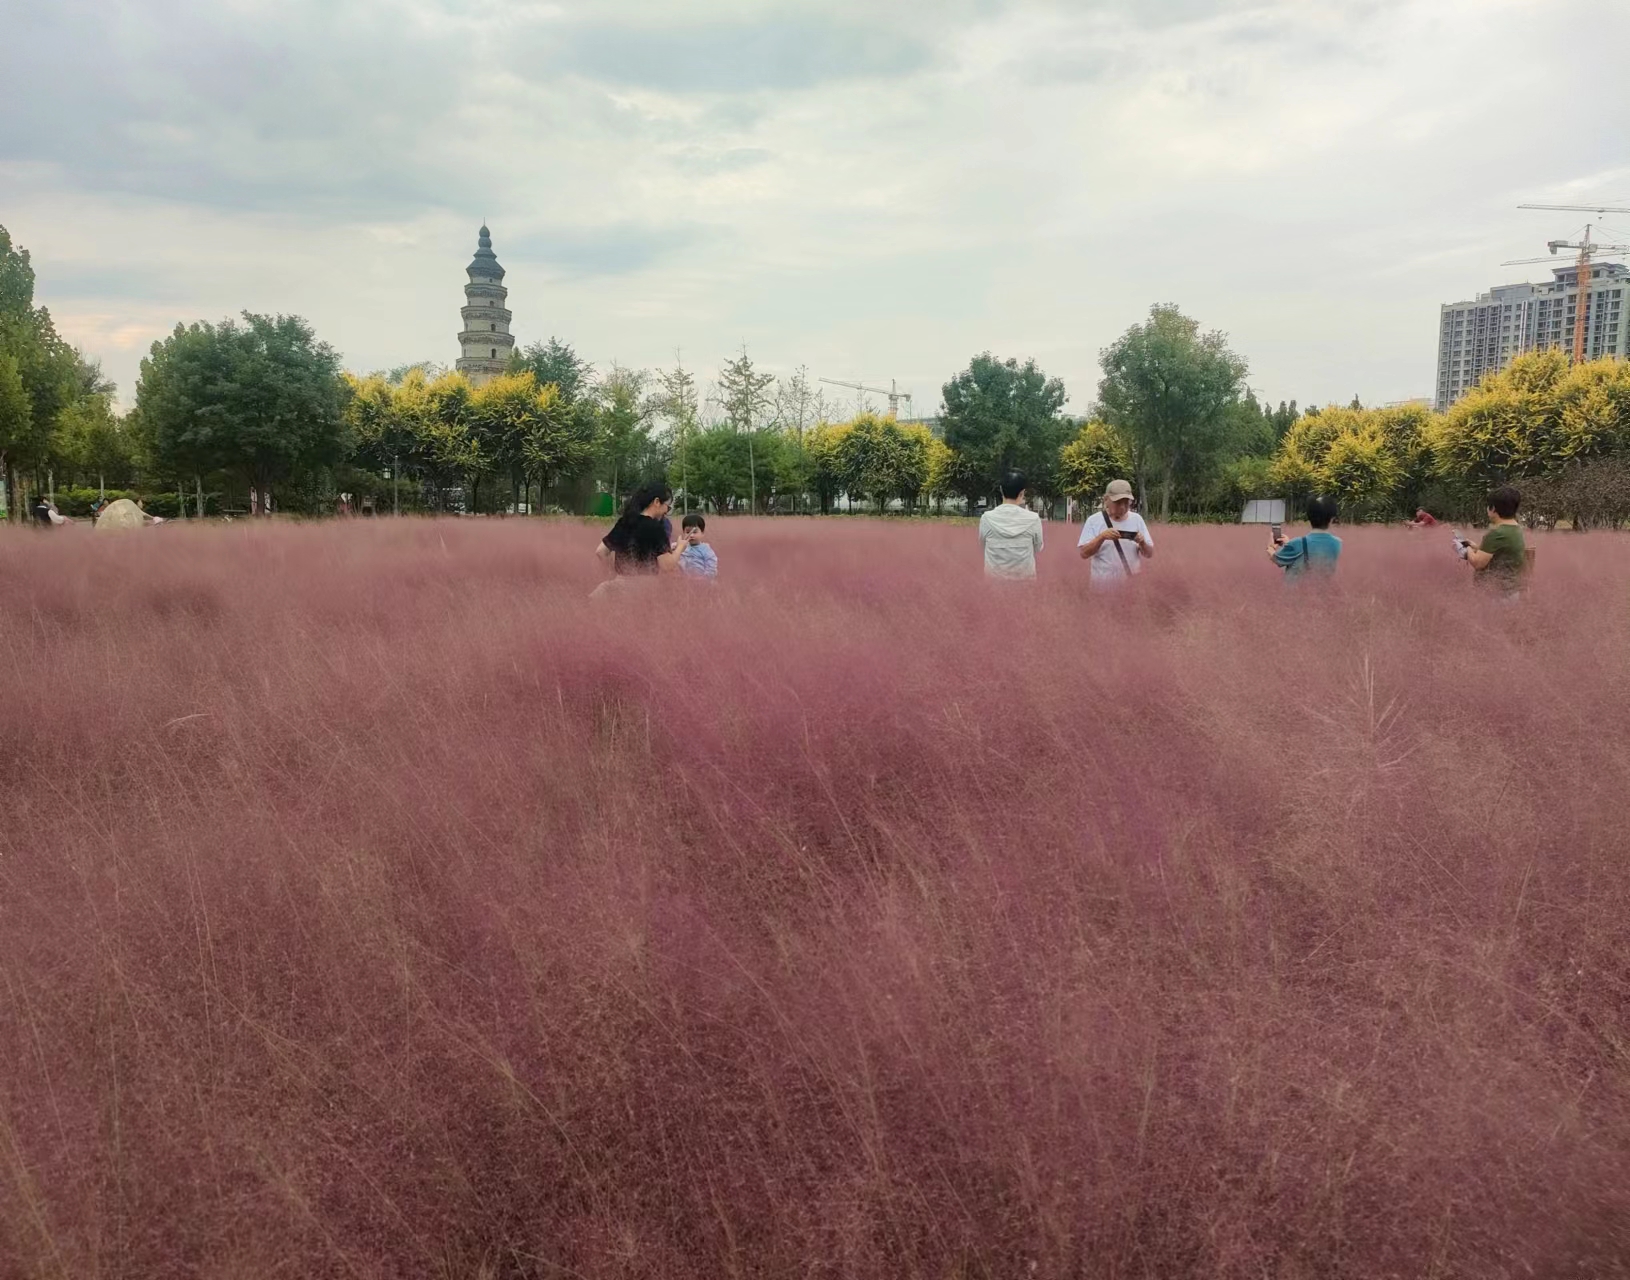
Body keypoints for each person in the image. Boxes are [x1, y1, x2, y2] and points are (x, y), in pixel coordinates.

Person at [596, 482, 678, 581]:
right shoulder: (656, 527)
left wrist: (614, 574)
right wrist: (681, 546)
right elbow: (667, 567)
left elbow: (600, 551)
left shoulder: (625, 522)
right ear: (657, 502)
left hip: (620, 582)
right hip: (644, 587)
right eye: (667, 507)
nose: (666, 511)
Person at [1077, 479, 1153, 584]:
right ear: (1106, 499)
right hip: (1102, 587)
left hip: (1131, 587)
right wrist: (1101, 537)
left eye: (1126, 503)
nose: (1122, 507)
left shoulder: (1137, 519)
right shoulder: (1093, 521)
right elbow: (1084, 554)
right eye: (1118, 502)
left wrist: (1142, 542)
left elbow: (1149, 554)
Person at [1459, 485, 1527, 597]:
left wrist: (1467, 548)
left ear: (1493, 508)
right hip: (1511, 590)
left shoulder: (1496, 534)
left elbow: (1478, 563)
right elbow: (1500, 553)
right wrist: (1475, 547)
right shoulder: (1516, 528)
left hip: (1497, 593)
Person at [979, 470, 1044, 580]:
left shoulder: (987, 518)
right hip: (1024, 582)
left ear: (1001, 490)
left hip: (994, 583)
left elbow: (982, 545)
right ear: (1022, 493)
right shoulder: (1033, 519)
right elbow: (1038, 548)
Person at [1269, 495, 1342, 578]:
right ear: (1332, 518)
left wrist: (1271, 547)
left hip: (1298, 590)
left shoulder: (1297, 544)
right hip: (1323, 589)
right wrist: (1288, 544)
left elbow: (1276, 559)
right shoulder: (1338, 543)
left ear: (1309, 517)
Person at [677, 512, 719, 579]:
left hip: (702, 582)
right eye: (688, 532)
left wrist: (703, 579)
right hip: (686, 582)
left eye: (694, 532)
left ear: (702, 533)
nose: (691, 535)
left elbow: (712, 568)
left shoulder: (706, 550)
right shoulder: (681, 547)